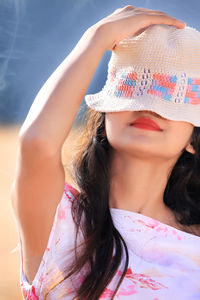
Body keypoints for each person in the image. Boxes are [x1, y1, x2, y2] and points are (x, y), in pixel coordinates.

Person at [10, 5, 200, 300]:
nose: (149, 105)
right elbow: (37, 143)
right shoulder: (63, 223)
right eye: (134, 87)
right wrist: (96, 38)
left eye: (174, 98)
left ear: (193, 139)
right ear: (105, 116)